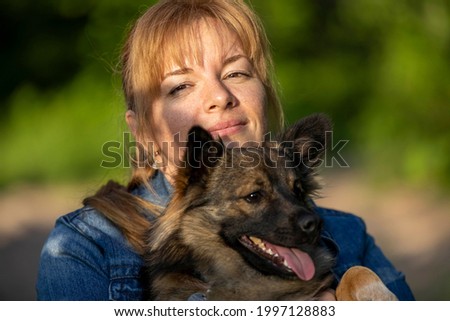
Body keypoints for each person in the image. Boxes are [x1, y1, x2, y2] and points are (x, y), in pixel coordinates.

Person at [36, 0, 415, 301]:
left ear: (264, 96)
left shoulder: (347, 236)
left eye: (236, 73)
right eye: (180, 86)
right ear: (143, 133)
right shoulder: (83, 250)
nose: (220, 96)